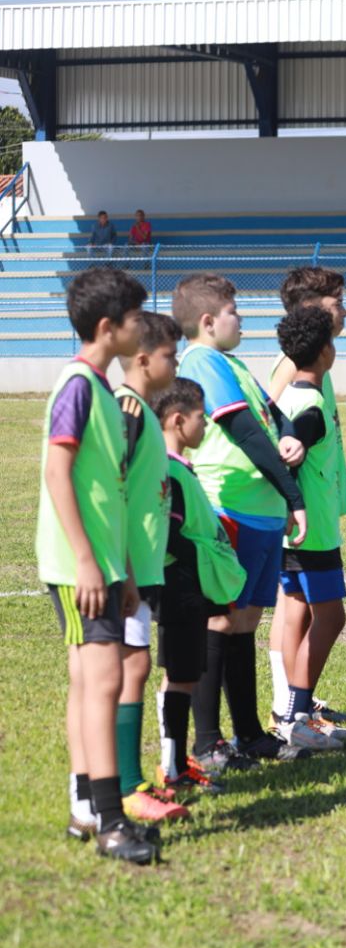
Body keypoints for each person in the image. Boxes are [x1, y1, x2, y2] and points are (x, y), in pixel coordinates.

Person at [38, 264, 158, 864]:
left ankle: (87, 808)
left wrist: (123, 570)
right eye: (136, 318)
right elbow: (59, 472)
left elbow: (107, 487)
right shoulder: (79, 385)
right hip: (78, 563)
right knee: (104, 678)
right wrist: (87, 561)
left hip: (105, 563)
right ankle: (111, 821)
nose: (143, 327)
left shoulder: (106, 391)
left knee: (92, 679)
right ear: (110, 327)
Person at [171, 273, 308, 768]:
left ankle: (249, 734)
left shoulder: (231, 362)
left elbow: (269, 413)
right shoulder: (201, 361)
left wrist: (291, 436)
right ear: (208, 321)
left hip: (262, 512)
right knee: (221, 619)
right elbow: (243, 429)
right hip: (231, 508)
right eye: (234, 309)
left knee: (245, 622)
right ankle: (208, 742)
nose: (242, 317)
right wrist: (292, 492)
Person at [266, 266, 346, 734]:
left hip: (312, 512)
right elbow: (276, 427)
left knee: (296, 605)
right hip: (302, 520)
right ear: (312, 309)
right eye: (337, 300)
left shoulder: (314, 370)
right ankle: (288, 706)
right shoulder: (292, 369)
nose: (344, 308)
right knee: (295, 608)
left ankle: (294, 702)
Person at [114, 311, 190, 824]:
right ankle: (122, 785)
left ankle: (128, 781)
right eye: (170, 353)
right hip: (126, 572)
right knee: (125, 669)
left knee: (135, 668)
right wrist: (123, 566)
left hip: (144, 567)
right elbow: (108, 490)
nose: (177, 361)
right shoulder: (128, 411)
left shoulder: (140, 407)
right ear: (143, 359)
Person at [153, 377, 242, 798]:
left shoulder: (179, 468)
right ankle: (173, 767)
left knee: (185, 675)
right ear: (176, 420)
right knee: (179, 677)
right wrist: (205, 565)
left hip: (189, 587)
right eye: (201, 419)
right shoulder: (168, 470)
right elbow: (170, 537)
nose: (206, 427)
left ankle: (177, 763)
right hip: (181, 588)